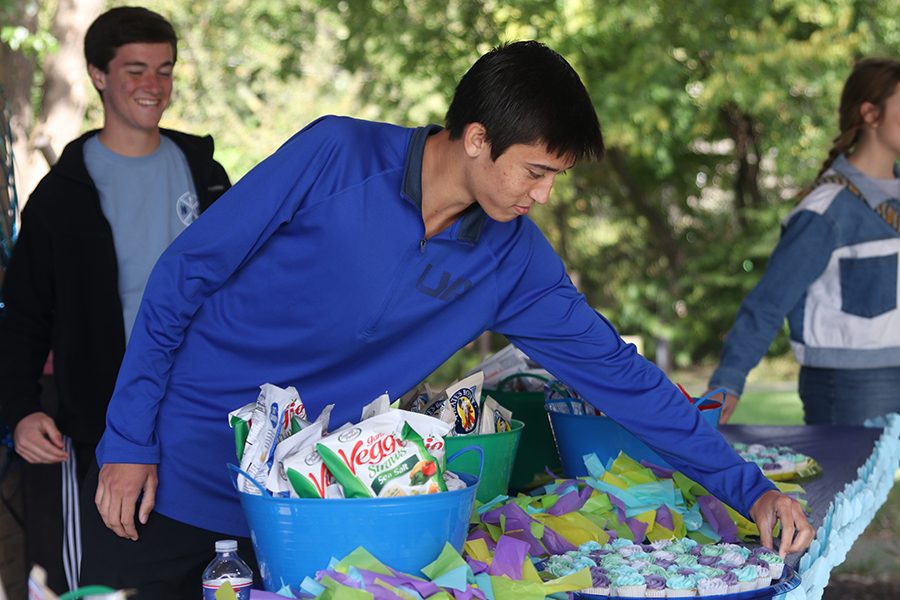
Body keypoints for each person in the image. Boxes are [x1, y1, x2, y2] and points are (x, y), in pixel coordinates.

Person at [83, 41, 813, 598]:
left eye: (556, 178)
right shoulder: (336, 156)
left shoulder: (513, 260)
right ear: (475, 138)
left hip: (327, 508)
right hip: (184, 474)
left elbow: (621, 376)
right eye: (536, 171)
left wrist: (750, 489)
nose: (544, 196)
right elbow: (185, 275)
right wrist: (128, 439)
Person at [0, 6, 231, 593]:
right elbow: (26, 315)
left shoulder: (205, 173)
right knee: (104, 582)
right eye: (135, 70)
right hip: (102, 424)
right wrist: (20, 409)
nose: (153, 86)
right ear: (98, 76)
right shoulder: (60, 195)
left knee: (205, 574)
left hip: (203, 418)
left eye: (165, 69)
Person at [709, 57, 900, 425]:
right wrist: (729, 379)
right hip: (849, 386)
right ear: (870, 115)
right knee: (853, 486)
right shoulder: (825, 212)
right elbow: (768, 302)